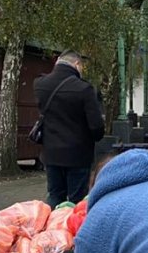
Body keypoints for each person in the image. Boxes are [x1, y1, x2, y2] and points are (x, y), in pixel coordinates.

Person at [34, 50, 105, 206]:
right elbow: (96, 128)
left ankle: (52, 228)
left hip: (51, 154)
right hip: (77, 155)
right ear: (77, 64)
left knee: (54, 196)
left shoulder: (40, 84)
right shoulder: (84, 89)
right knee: (77, 201)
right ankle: (74, 230)